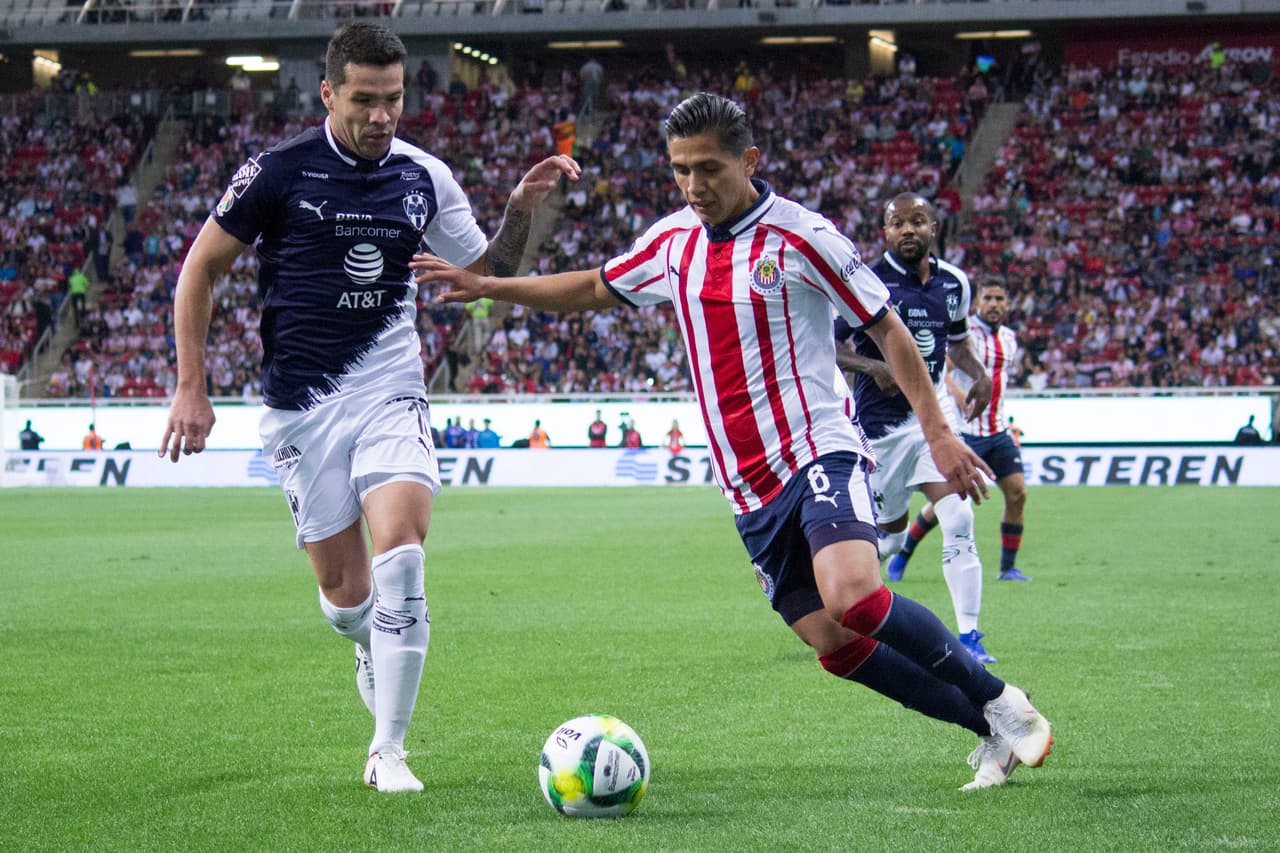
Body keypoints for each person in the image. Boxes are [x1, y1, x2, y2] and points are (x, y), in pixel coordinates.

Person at [415, 92, 1052, 791]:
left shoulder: (803, 236)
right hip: (747, 483)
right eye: (680, 170)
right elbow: (596, 287)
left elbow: (888, 329)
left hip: (817, 446)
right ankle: (989, 732)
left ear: (749, 161)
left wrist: (940, 433)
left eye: (709, 168)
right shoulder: (672, 241)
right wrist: (492, 285)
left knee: (856, 596)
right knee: (835, 644)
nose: (694, 185)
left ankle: (1000, 698)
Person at [157, 22, 580, 794]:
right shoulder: (277, 172)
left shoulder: (424, 176)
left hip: (390, 386)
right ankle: (364, 639)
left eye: (394, 98)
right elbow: (200, 269)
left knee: (404, 551)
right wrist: (191, 384)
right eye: (364, 100)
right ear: (328, 93)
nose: (382, 114)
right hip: (301, 406)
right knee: (347, 598)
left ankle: (388, 749)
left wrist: (519, 207)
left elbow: (484, 273)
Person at [835, 192, 1001, 664]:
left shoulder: (954, 283)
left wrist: (980, 374)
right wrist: (873, 367)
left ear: (933, 228)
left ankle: (970, 638)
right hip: (881, 430)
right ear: (885, 232)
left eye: (918, 221)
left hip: (932, 423)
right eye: (898, 223)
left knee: (960, 518)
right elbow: (831, 345)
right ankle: (847, 601)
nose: (908, 230)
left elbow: (958, 343)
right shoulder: (866, 281)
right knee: (886, 537)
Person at [887, 282, 1033, 585]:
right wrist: (957, 395)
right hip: (964, 433)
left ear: (1008, 304)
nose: (994, 304)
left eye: (1000, 298)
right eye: (988, 298)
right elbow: (944, 370)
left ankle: (1008, 568)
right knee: (947, 503)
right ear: (977, 301)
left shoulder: (1009, 338)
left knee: (1018, 493)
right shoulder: (966, 336)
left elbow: (999, 381)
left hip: (997, 430)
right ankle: (903, 554)